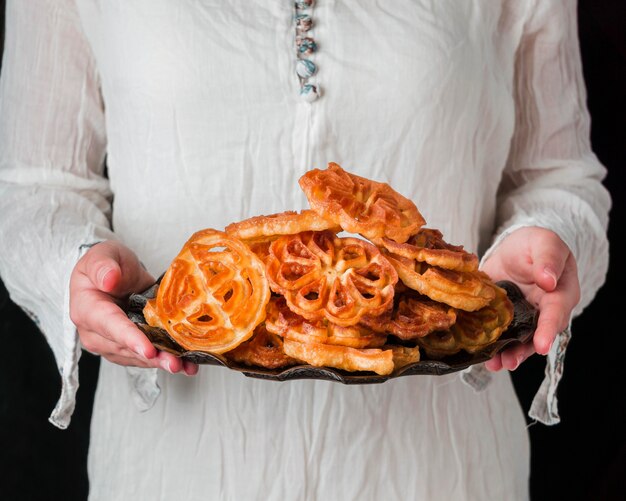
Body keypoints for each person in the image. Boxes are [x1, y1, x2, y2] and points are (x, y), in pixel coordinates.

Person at [0, 1, 610, 500]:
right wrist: (76, 264)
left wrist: (549, 245)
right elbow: (34, 187)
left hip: (440, 469)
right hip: (175, 468)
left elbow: (558, 174)